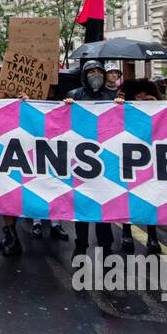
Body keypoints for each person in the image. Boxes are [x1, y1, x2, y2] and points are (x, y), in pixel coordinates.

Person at [64, 60, 118, 257]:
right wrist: (67, 107)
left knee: (104, 205)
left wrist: (121, 107)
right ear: (84, 76)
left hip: (104, 160)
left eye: (99, 71)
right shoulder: (75, 95)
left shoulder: (112, 96)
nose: (96, 75)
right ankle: (80, 246)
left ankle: (106, 247)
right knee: (82, 206)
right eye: (91, 72)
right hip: (80, 160)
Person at [114, 77, 164, 255]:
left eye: (144, 95)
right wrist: (118, 104)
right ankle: (126, 232)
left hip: (150, 160)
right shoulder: (122, 109)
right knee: (127, 197)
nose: (141, 98)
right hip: (127, 158)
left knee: (150, 198)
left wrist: (158, 105)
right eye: (137, 95)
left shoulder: (158, 107)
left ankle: (153, 236)